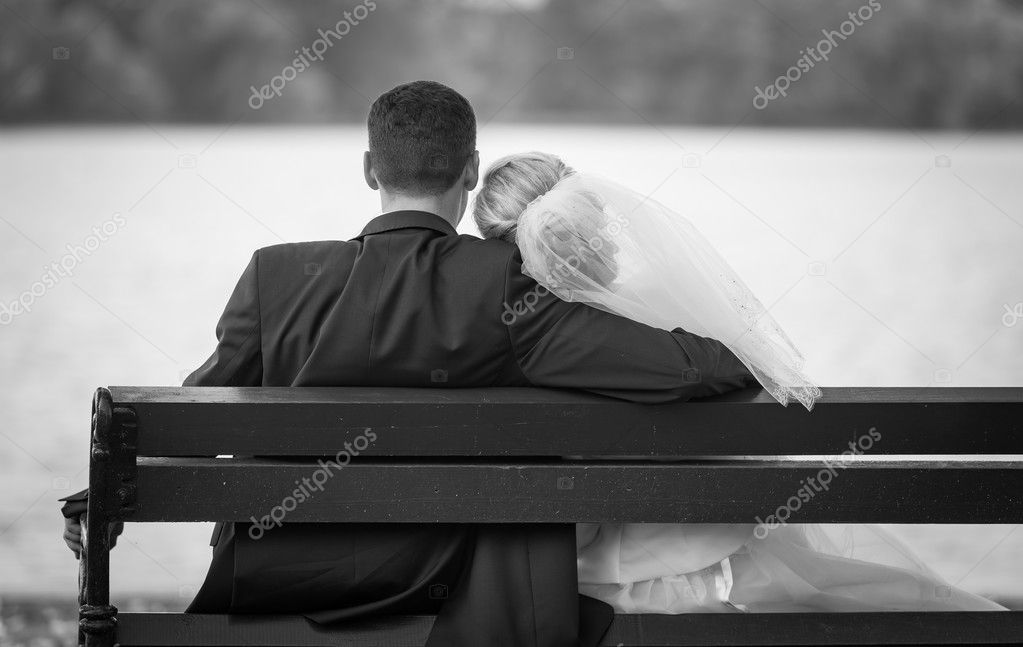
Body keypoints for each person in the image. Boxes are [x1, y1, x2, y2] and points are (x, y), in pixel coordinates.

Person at [62, 81, 757, 647]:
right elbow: (688, 371)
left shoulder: (273, 276)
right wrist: (747, 350)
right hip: (446, 576)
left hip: (273, 570)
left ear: (371, 170)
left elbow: (184, 421)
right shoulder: (506, 283)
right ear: (471, 169)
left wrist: (101, 494)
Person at [472, 151, 1006, 614]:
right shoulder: (660, 318)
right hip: (698, 555)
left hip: (577, 570)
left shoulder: (503, 341)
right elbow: (748, 367)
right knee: (886, 595)